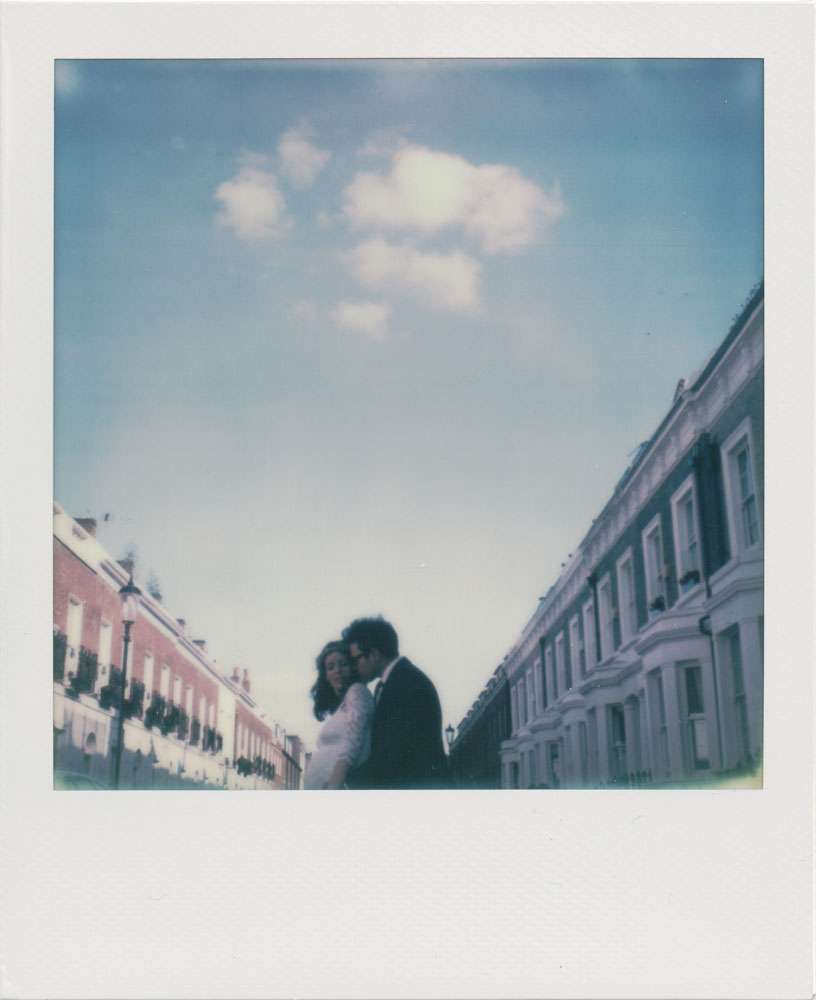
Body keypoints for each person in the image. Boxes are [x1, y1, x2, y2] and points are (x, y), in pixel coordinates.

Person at [341, 617, 449, 789]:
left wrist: (344, 780)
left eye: (356, 659)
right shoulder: (399, 680)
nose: (354, 667)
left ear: (374, 654)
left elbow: (393, 753)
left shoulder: (407, 683)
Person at [303, 640, 373, 790]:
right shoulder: (342, 705)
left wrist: (335, 783)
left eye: (343, 664)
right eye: (331, 667)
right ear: (326, 676)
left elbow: (354, 740)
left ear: (352, 667)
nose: (337, 670)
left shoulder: (357, 691)